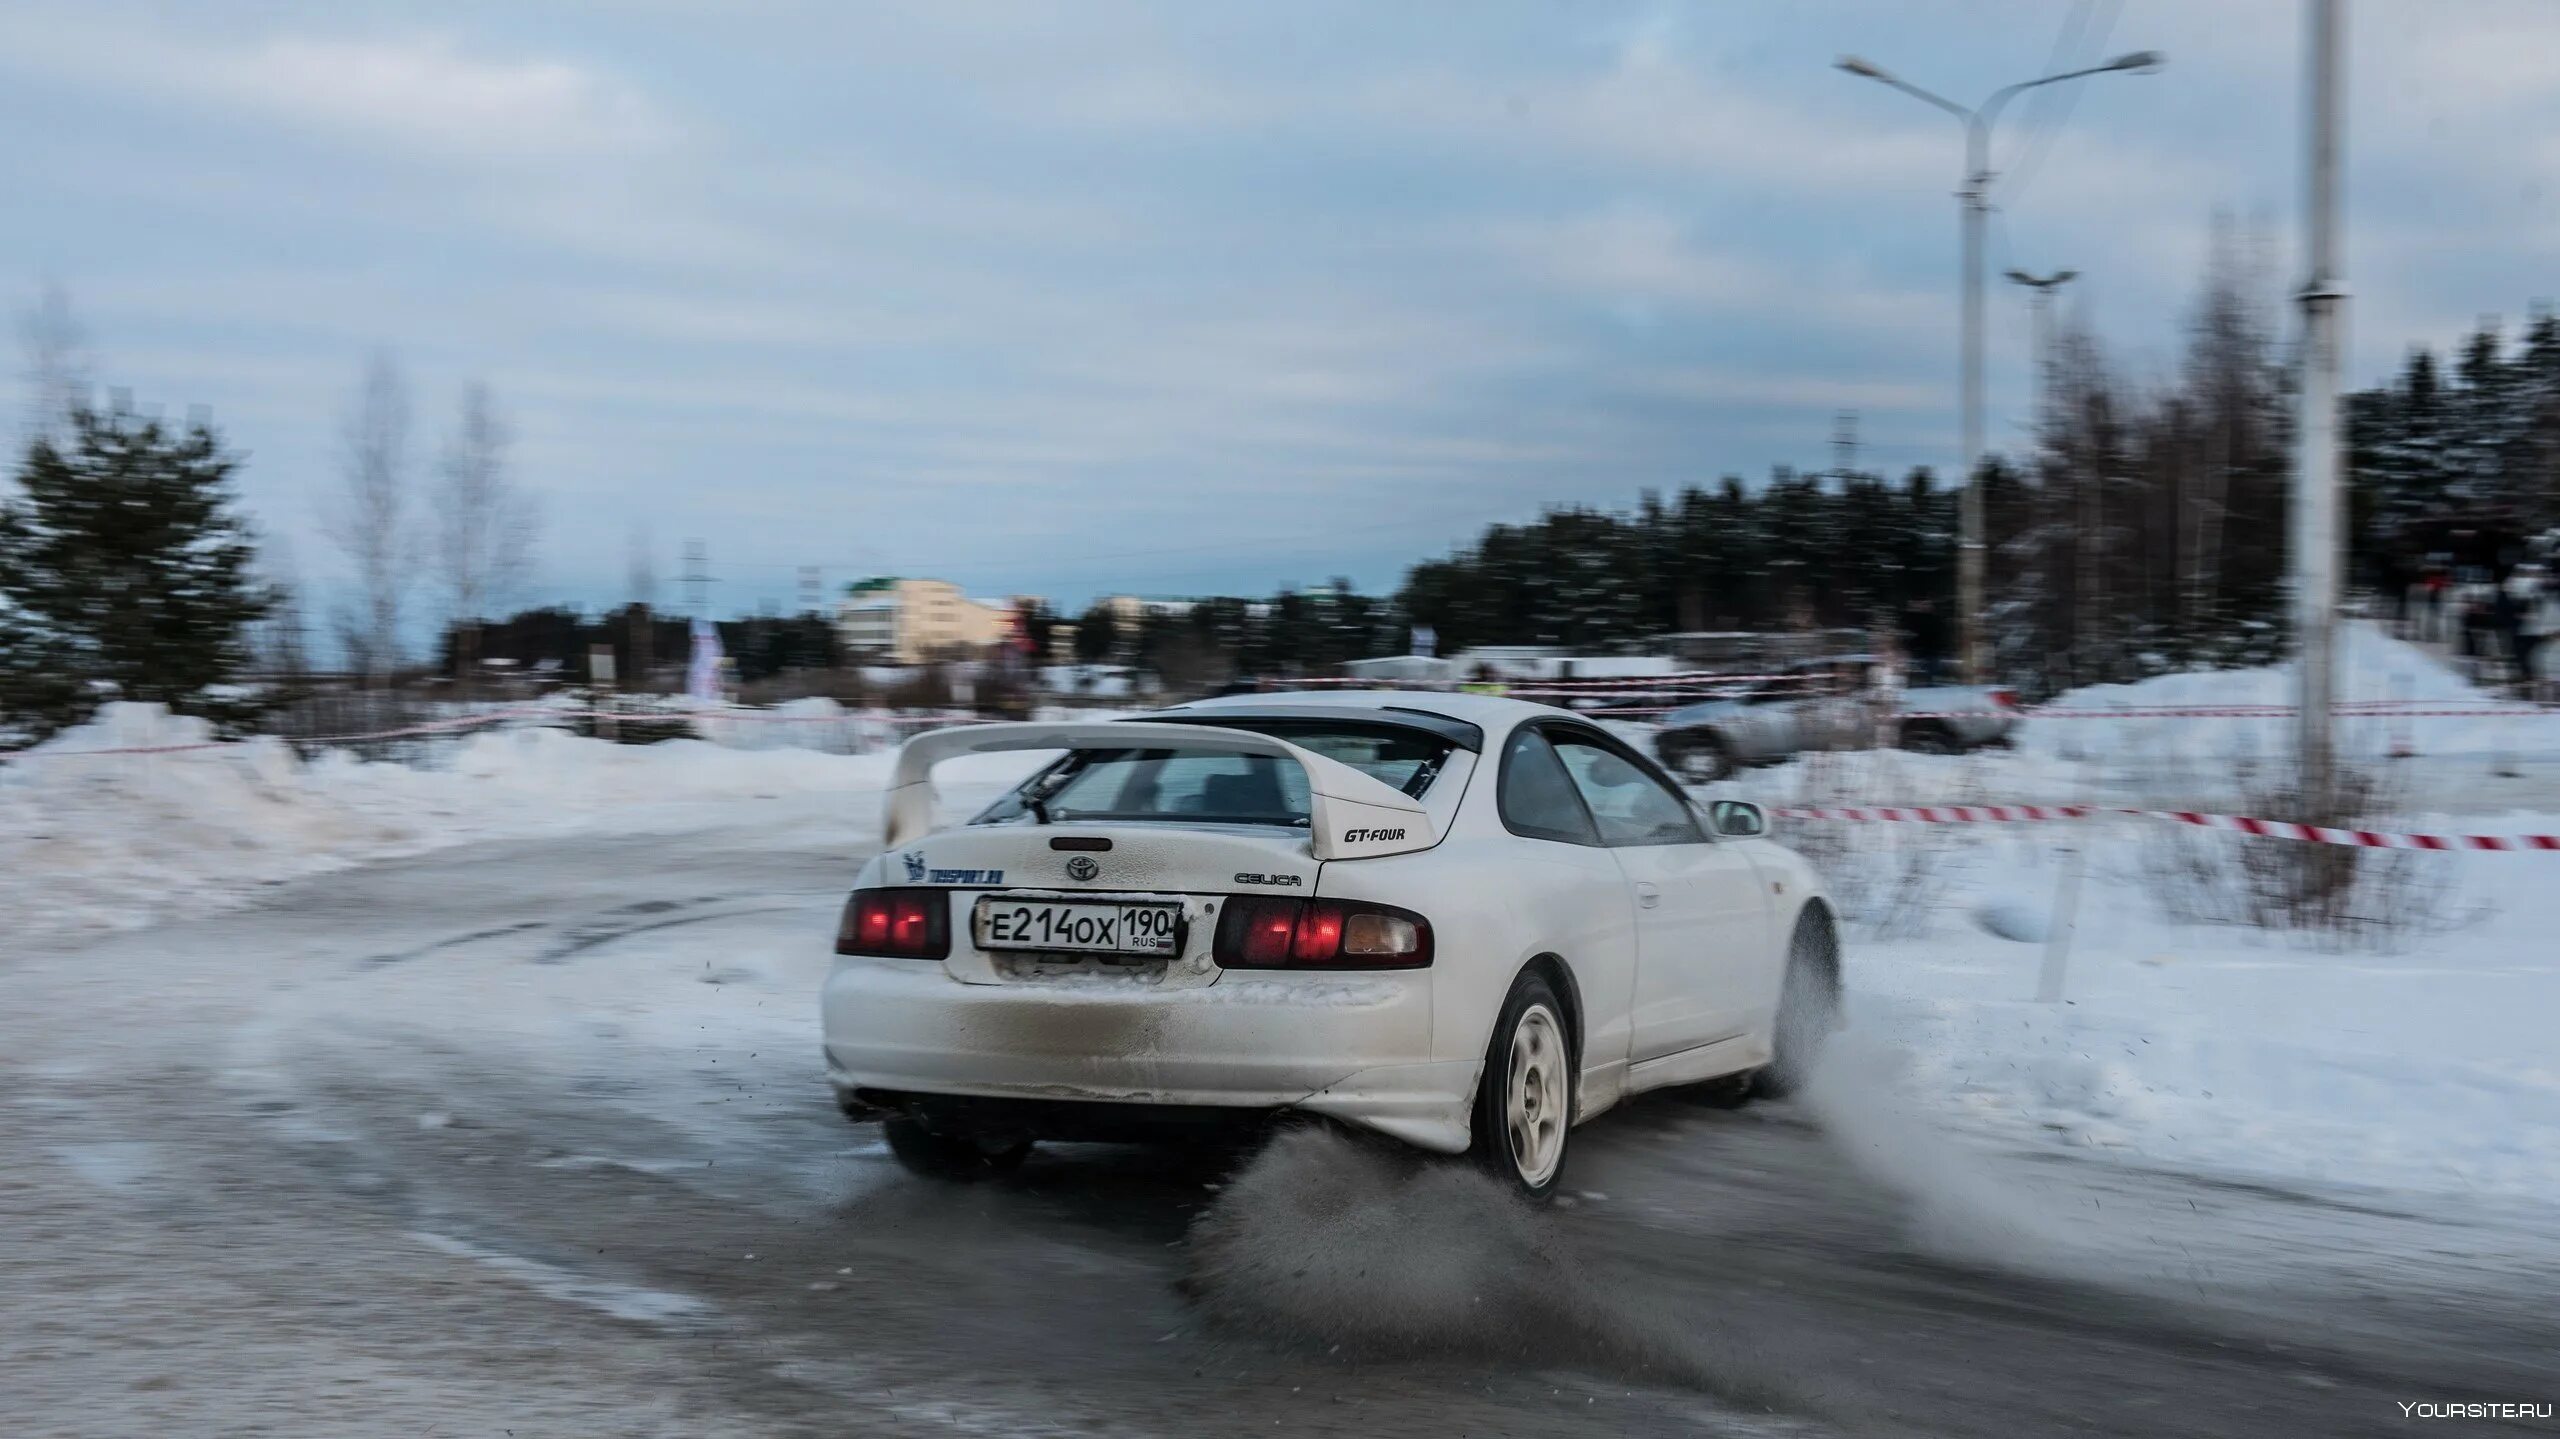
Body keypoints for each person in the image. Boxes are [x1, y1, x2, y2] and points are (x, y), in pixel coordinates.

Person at [1900, 597, 1949, 685]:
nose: (1924, 606)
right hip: (1923, 652)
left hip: (1931, 652)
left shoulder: (1935, 620)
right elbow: (1917, 635)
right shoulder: (1919, 619)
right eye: (1923, 604)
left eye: (1926, 604)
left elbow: (1924, 635)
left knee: (1929, 675)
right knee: (1922, 675)